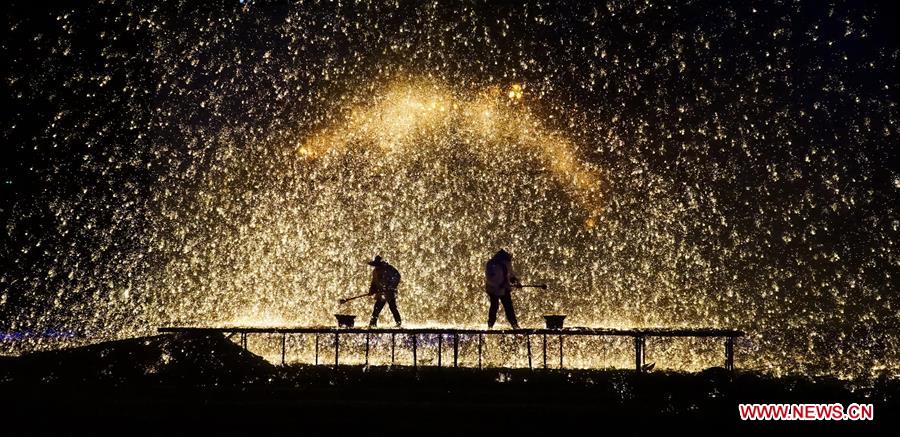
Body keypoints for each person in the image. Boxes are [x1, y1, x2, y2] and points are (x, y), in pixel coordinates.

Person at [484, 249, 520, 329]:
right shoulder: (491, 264)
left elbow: (511, 275)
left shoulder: (506, 263)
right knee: (494, 307)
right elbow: (490, 278)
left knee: (508, 307)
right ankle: (490, 325)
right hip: (493, 290)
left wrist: (516, 282)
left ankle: (514, 325)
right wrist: (498, 285)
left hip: (503, 289)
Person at [367, 255, 402, 328]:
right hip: (381, 293)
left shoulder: (389, 269)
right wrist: (372, 290)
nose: (376, 266)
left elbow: (397, 276)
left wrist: (391, 286)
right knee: (377, 308)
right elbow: (374, 282)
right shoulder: (375, 271)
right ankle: (373, 323)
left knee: (392, 307)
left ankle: (398, 322)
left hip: (389, 292)